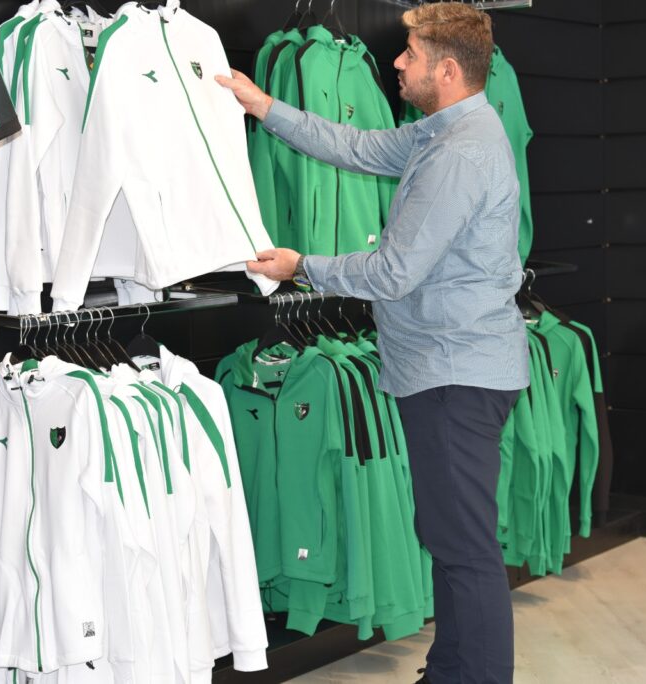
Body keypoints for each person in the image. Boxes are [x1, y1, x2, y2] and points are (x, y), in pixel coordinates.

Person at [217, 3, 528, 682]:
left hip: (454, 375)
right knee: (449, 538)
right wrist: (264, 106)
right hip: (450, 369)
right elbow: (357, 147)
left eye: (411, 55)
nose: (397, 62)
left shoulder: (459, 153)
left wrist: (302, 266)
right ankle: (451, 671)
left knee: (464, 547)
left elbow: (392, 271)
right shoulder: (444, 132)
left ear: (448, 71)